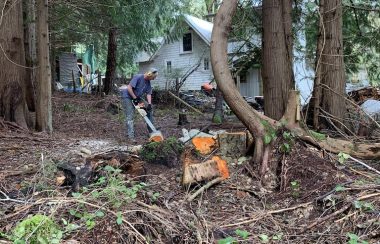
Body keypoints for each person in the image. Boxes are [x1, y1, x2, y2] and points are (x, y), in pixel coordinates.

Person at [120, 68, 158, 140]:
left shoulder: (148, 82)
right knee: (130, 116)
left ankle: (152, 131)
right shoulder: (138, 77)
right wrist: (134, 98)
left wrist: (149, 104)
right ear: (150, 74)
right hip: (127, 97)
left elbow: (149, 93)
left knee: (149, 110)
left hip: (137, 97)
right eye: (153, 77)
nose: (153, 79)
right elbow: (129, 87)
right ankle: (131, 137)